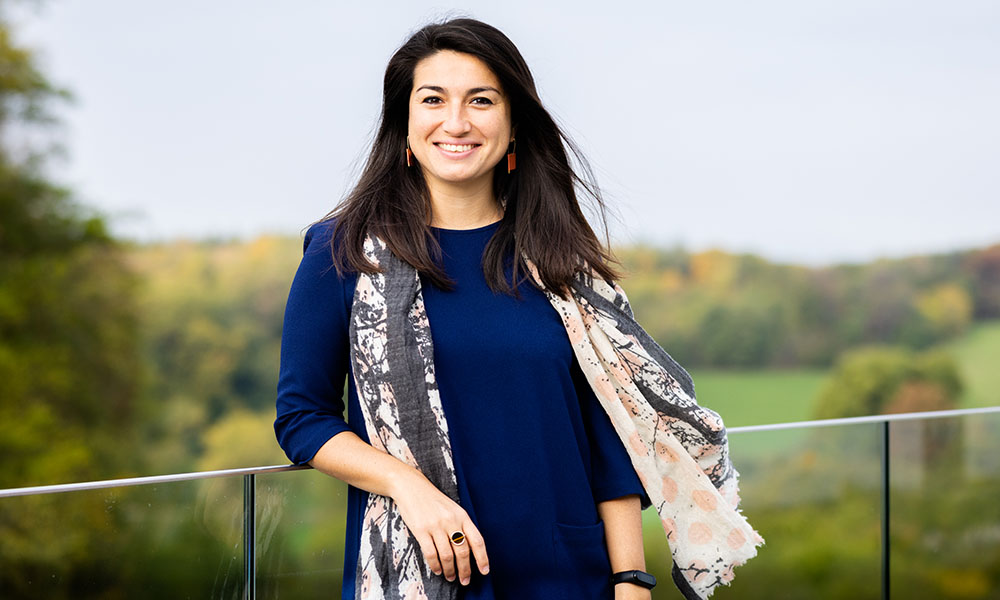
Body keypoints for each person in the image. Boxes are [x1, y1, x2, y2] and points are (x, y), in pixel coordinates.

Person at [275, 17, 759, 600]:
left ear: (513, 127)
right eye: (433, 100)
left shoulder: (559, 261)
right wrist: (407, 486)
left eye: (481, 100)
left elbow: (607, 433)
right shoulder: (343, 252)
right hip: (425, 568)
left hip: (569, 573)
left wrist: (631, 578)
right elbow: (303, 417)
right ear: (405, 124)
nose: (456, 122)